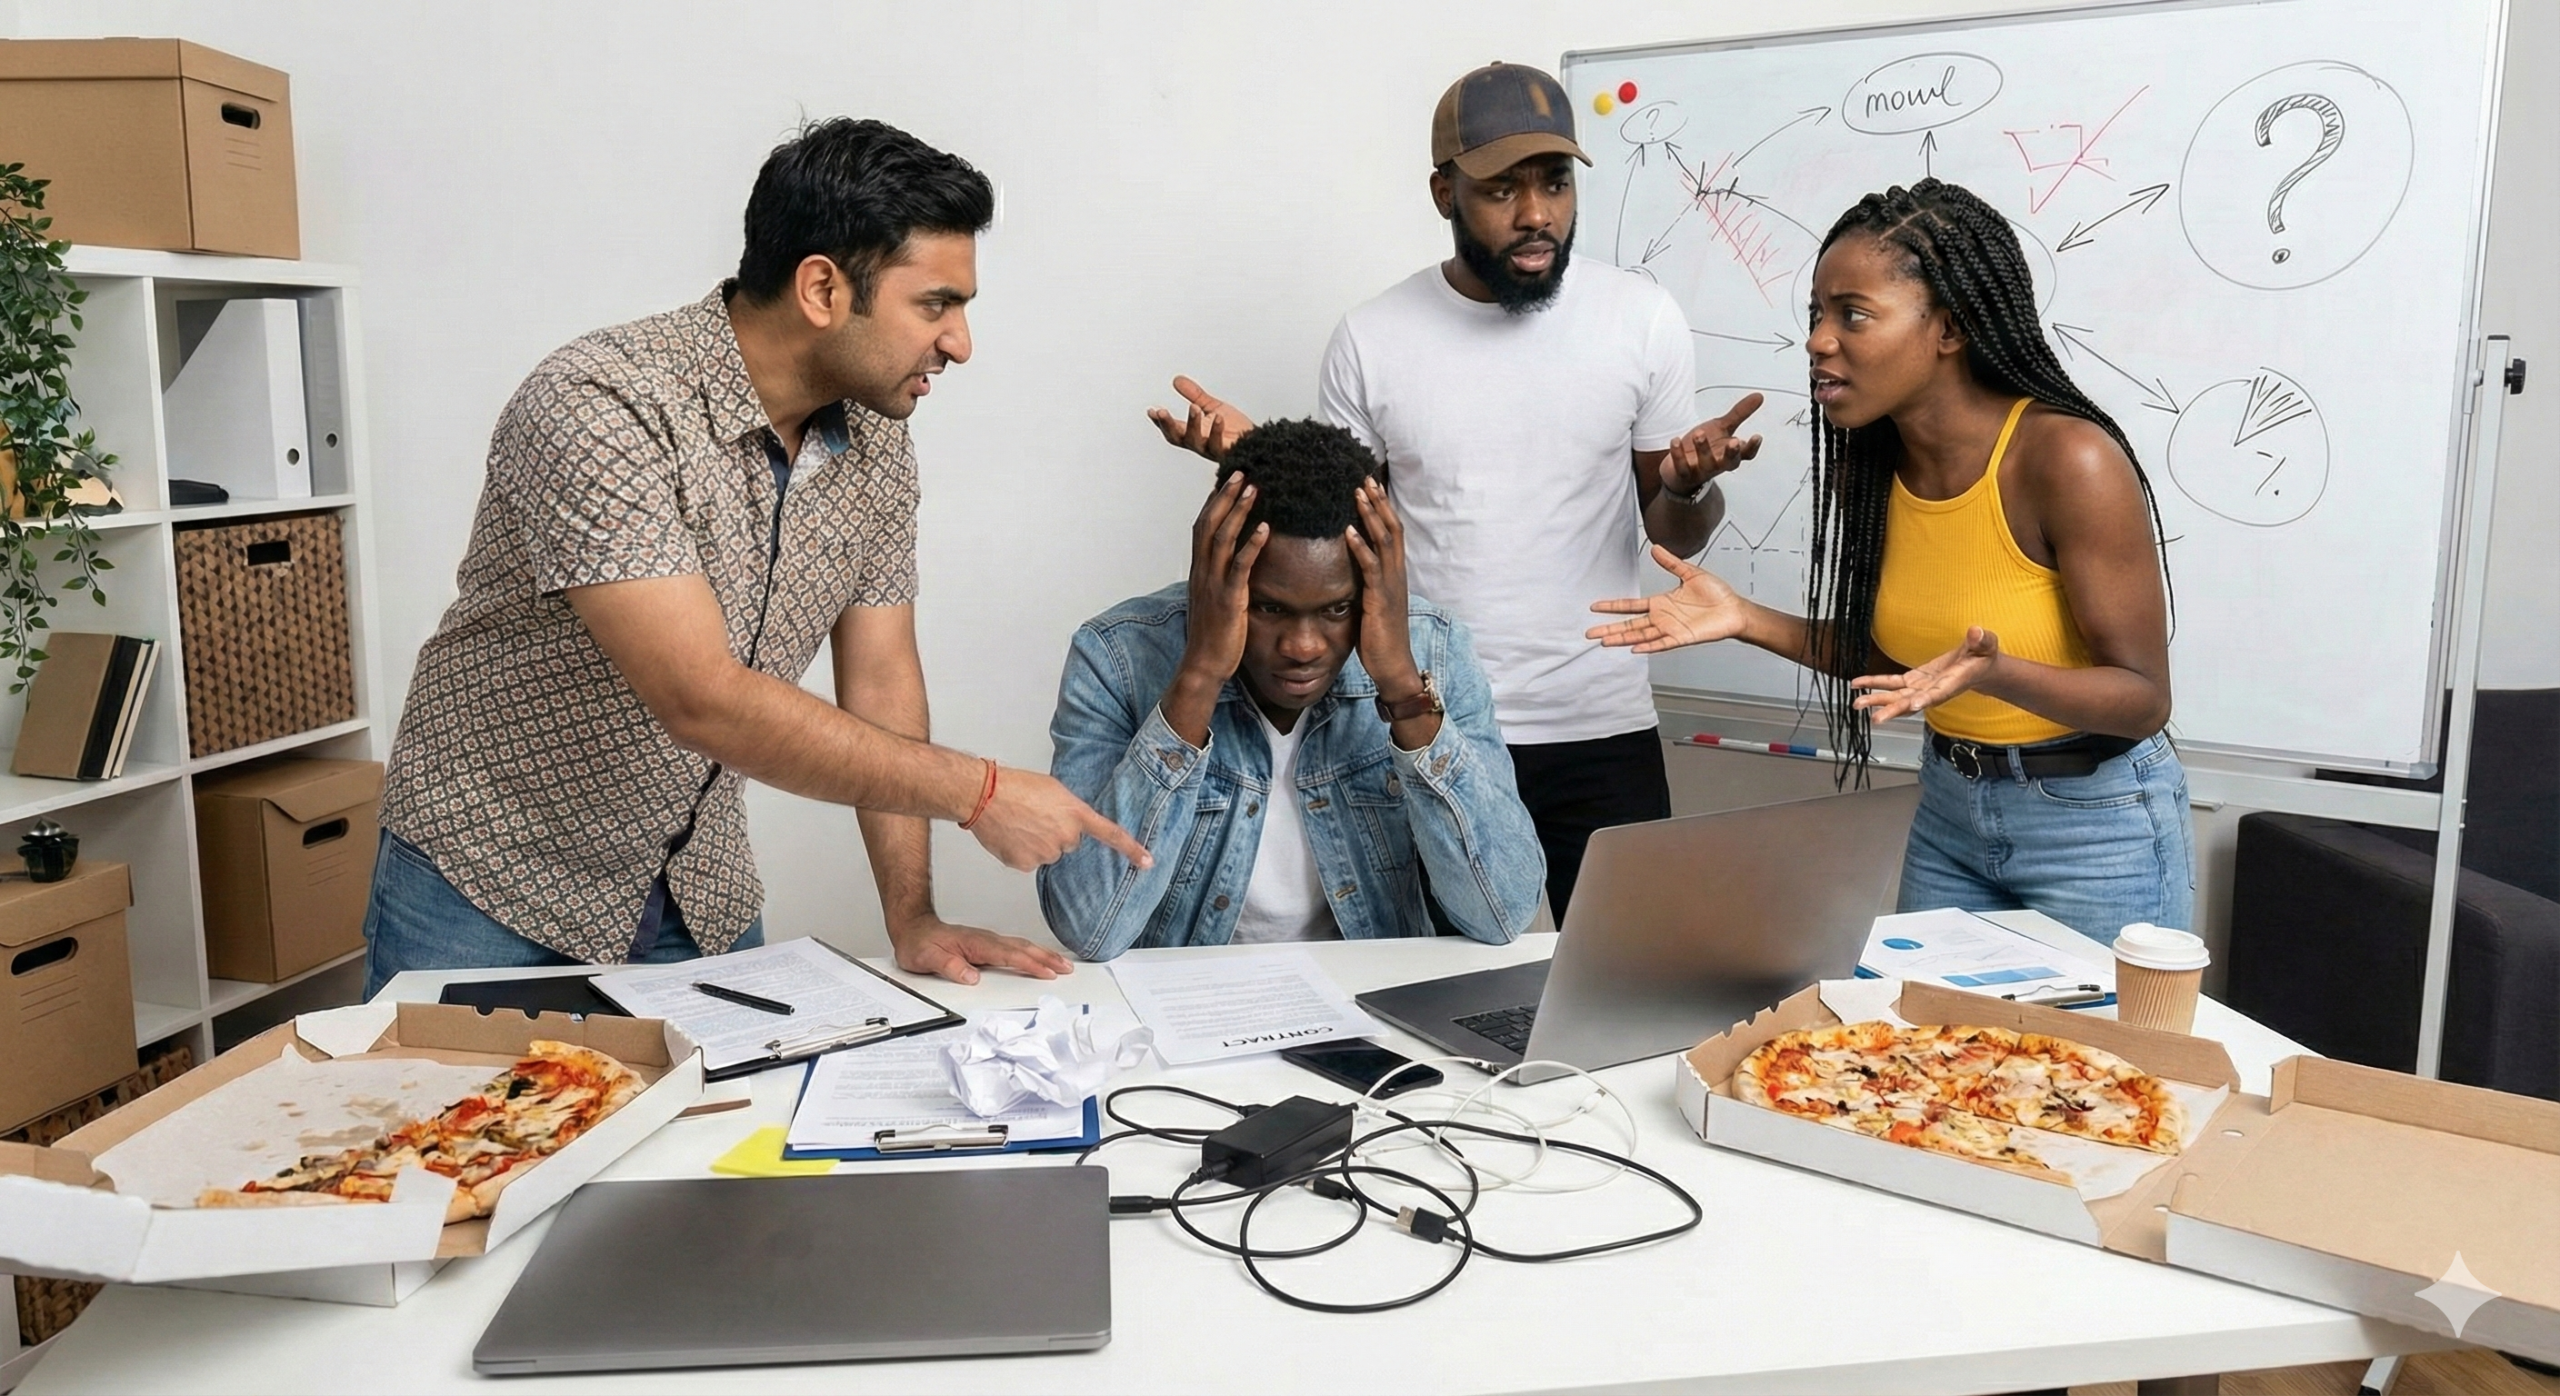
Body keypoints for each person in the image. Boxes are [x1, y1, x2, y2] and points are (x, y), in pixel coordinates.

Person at [367, 118, 1146, 997]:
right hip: (490, 889)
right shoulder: (601, 403)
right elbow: (703, 698)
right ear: (821, 288)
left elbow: (882, 679)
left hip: (698, 893)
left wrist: (911, 915)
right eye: (936, 303)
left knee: (739, 1136)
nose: (960, 341)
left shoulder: (878, 443)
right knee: (458, 1135)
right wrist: (978, 792)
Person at [1146, 61, 1765, 920]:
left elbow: (1679, 537)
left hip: (1600, 723)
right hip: (1432, 723)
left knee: (1631, 981)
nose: (1537, 213)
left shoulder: (1642, 317)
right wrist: (1260, 457)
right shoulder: (1372, 338)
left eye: (1553, 183)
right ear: (1444, 194)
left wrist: (1689, 486)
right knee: (1443, 990)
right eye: (1502, 190)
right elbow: (1341, 534)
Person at [1589, 178, 2192, 943]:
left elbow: (2144, 698)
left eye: (1853, 315)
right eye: (1815, 314)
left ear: (1948, 328)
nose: (1817, 340)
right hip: (1950, 808)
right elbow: (1892, 661)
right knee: (1926, 1057)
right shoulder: (1872, 467)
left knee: (2100, 1063)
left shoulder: (2068, 459)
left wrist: (1996, 671)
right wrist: (1743, 617)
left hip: (2095, 824)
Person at [1039, 419, 1543, 958]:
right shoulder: (1115, 657)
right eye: (1270, 608)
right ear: (1215, 574)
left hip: (1371, 1007)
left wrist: (1401, 686)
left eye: (1336, 609)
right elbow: (1089, 929)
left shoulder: (1436, 651)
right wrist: (1200, 673)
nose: (1303, 646)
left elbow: (1503, 914)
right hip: (1186, 1013)